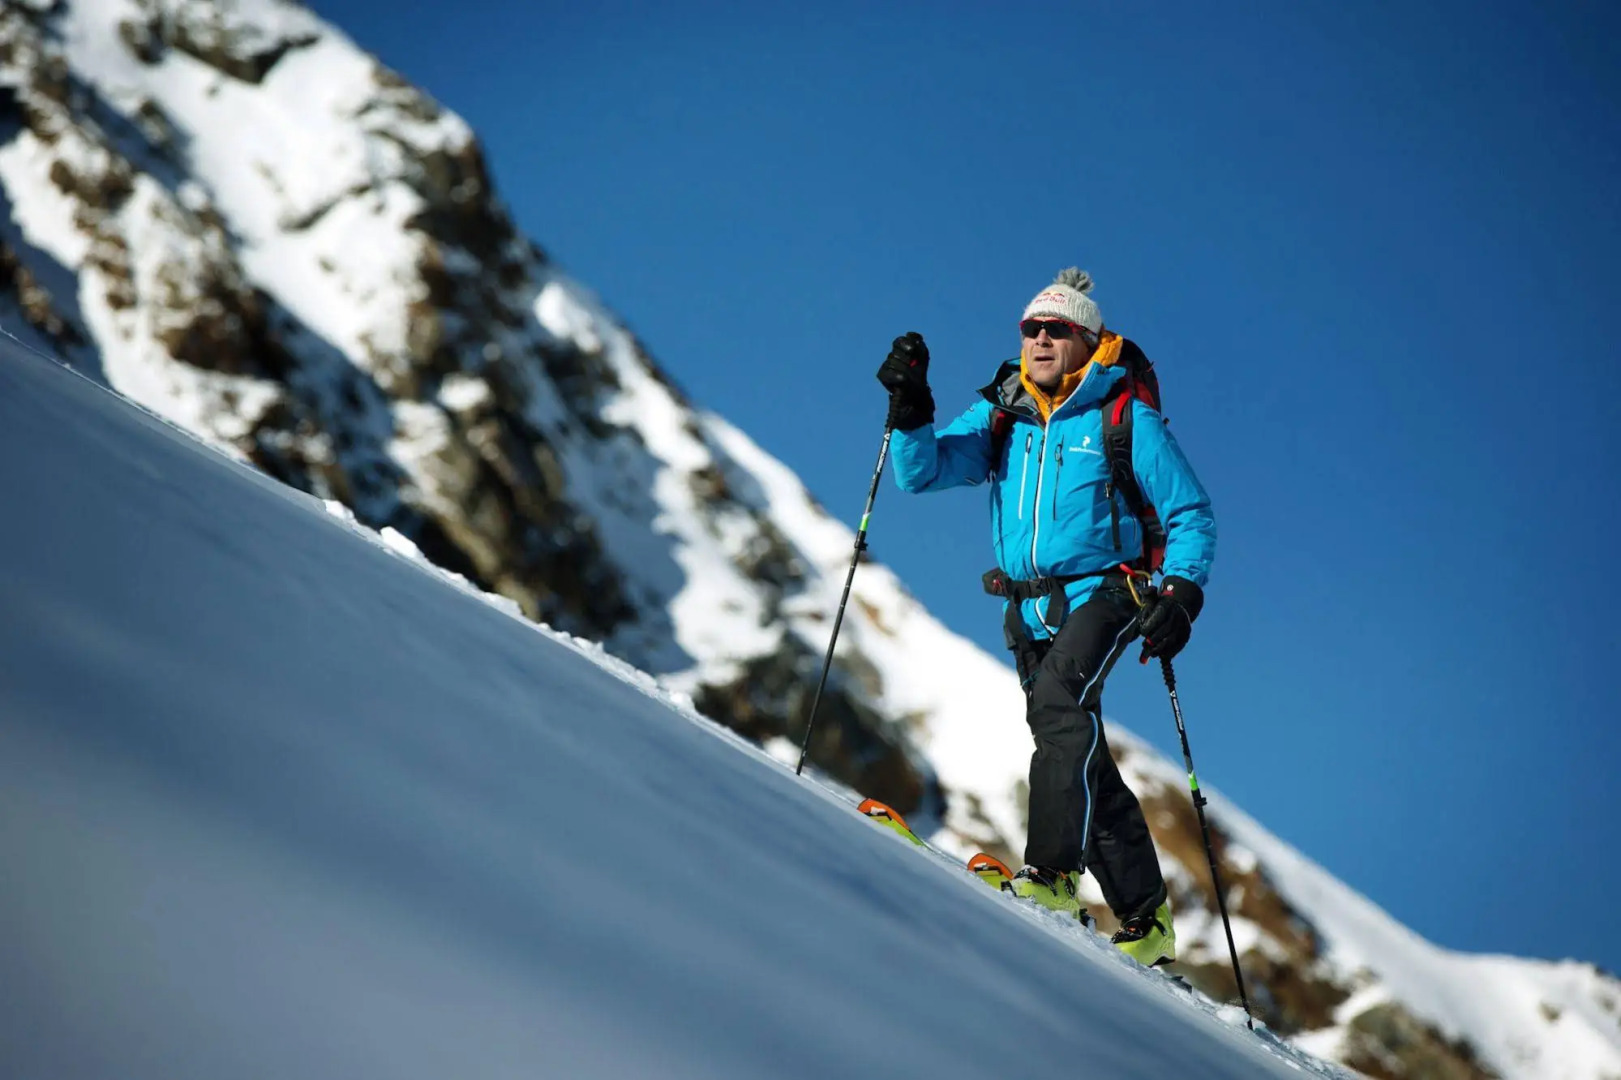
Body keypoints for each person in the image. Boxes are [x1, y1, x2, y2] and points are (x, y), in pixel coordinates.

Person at [876, 268, 1215, 967]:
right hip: (1026, 604)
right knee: (1070, 737)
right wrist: (911, 409)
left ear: (1087, 342)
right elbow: (923, 472)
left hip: (1109, 589)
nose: (1036, 339)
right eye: (1029, 328)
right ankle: (1145, 921)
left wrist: (1180, 593)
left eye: (1054, 329)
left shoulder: (1123, 417)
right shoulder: (1004, 412)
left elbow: (1189, 512)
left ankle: (1054, 877)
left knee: (1060, 707)